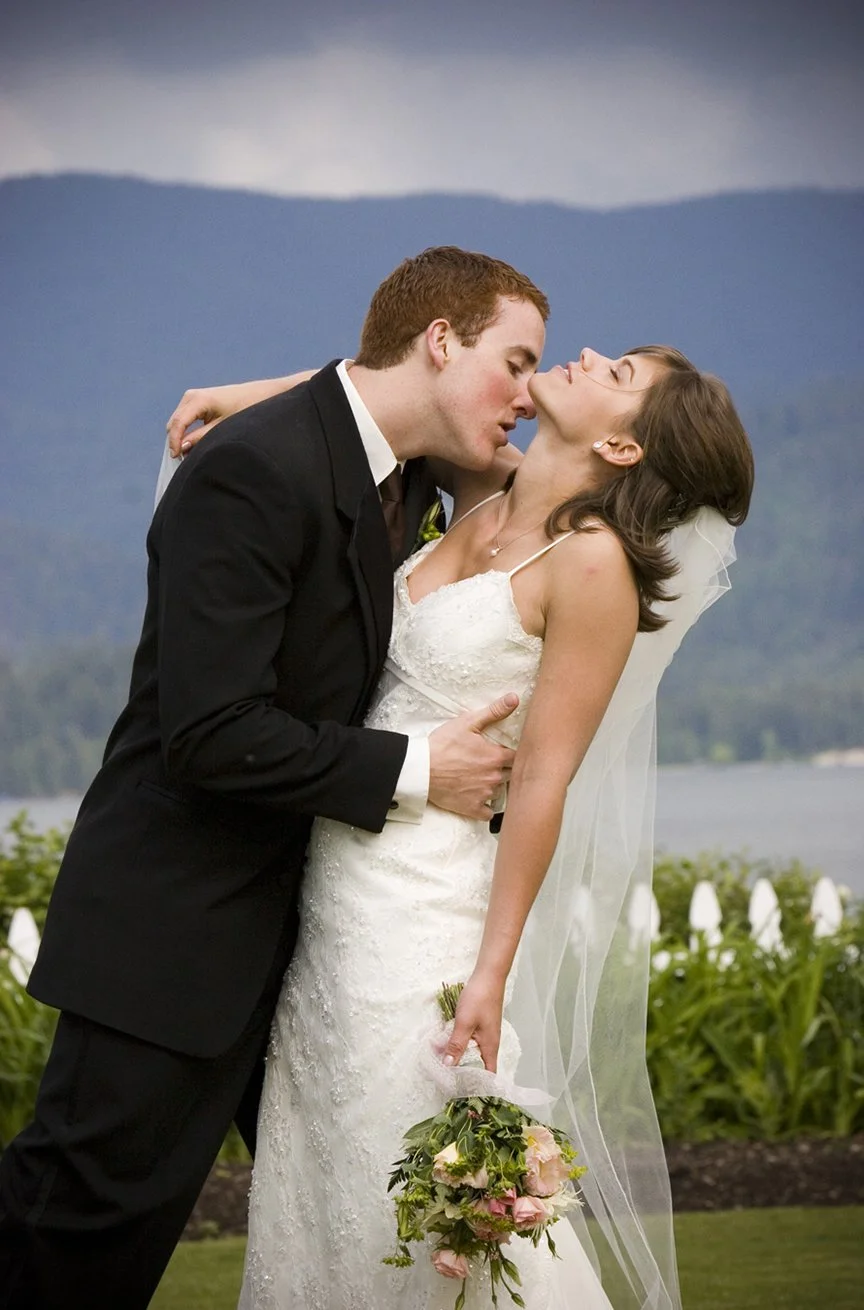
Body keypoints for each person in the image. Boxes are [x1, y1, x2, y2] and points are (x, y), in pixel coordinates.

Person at [0, 247, 551, 1310]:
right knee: (70, 1235)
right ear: (442, 339)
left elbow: (555, 455)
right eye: (515, 361)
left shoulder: (414, 476)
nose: (526, 399)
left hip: (307, 954)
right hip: (170, 940)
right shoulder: (254, 469)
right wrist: (416, 765)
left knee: (362, 1238)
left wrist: (256, 385)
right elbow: (208, 730)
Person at [168, 344, 754, 1308]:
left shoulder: (594, 564)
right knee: (326, 1166)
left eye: (618, 374)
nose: (590, 354)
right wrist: (241, 392)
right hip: (337, 880)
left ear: (617, 442)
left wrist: (490, 974)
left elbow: (542, 784)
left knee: (422, 1182)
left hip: (429, 908)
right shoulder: (485, 483)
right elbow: (385, 397)